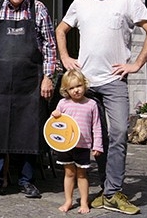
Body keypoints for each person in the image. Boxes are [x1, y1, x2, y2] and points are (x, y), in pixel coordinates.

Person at [55, 0, 147, 215]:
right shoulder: (80, 3)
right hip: (87, 84)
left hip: (114, 82)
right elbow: (61, 30)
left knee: (117, 134)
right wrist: (65, 57)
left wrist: (136, 64)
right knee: (98, 139)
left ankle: (113, 192)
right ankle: (107, 191)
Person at [0, 0, 58, 200]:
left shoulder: (38, 9)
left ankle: (27, 181)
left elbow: (50, 47)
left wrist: (47, 77)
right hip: (0, 84)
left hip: (30, 83)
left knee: (28, 131)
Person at [51, 69, 102, 214]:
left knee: (82, 174)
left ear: (84, 84)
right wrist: (55, 114)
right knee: (69, 174)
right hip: (66, 145)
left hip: (83, 146)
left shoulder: (91, 104)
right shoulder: (63, 103)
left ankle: (84, 202)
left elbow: (96, 126)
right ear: (66, 90)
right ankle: (68, 201)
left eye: (78, 86)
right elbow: (55, 124)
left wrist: (97, 145)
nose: (76, 90)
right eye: (71, 88)